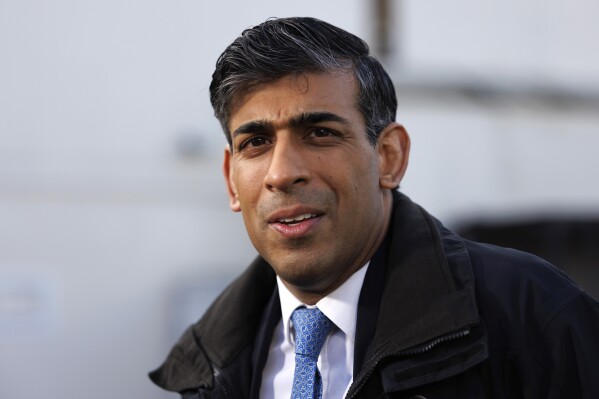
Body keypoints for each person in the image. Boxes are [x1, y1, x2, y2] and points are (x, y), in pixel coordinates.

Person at [150, 17, 599, 399]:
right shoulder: (207, 364)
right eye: (256, 142)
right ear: (231, 179)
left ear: (389, 157)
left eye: (320, 133)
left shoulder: (534, 317)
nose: (281, 173)